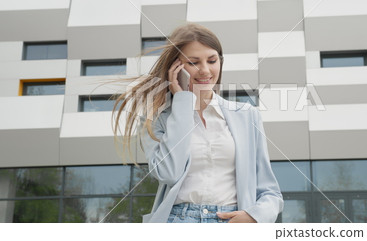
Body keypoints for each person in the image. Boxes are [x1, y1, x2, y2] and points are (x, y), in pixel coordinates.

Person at [113, 23, 283, 223]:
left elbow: (271, 193)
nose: (205, 70)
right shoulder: (154, 119)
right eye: (193, 63)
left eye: (212, 60)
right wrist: (183, 102)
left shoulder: (247, 115)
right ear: (176, 68)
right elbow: (169, 173)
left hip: (232, 222)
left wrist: (254, 217)